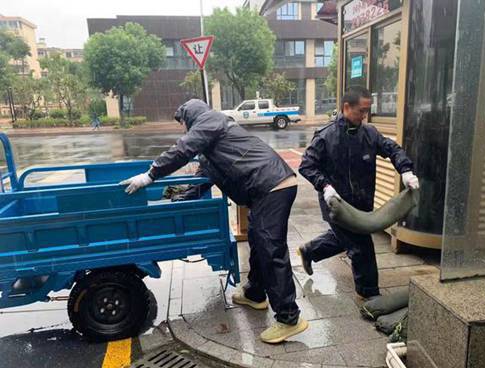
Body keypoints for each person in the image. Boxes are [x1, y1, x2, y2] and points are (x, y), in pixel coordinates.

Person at [120, 99, 308, 344]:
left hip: (272, 185)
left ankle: (289, 319)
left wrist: (151, 174)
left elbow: (182, 149)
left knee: (271, 250)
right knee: (258, 240)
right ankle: (255, 293)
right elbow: (200, 183)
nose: (185, 130)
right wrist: (173, 204)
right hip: (265, 189)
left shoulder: (212, 120)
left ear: (191, 117)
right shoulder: (211, 149)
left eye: (184, 124)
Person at [298, 88, 419, 299]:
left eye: (367, 111)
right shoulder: (327, 136)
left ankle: (310, 250)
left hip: (362, 202)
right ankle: (369, 295)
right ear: (347, 107)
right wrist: (325, 187)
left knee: (344, 239)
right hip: (336, 204)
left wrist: (405, 170)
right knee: (361, 248)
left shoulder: (369, 134)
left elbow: (392, 149)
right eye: (361, 111)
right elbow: (307, 166)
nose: (365, 115)